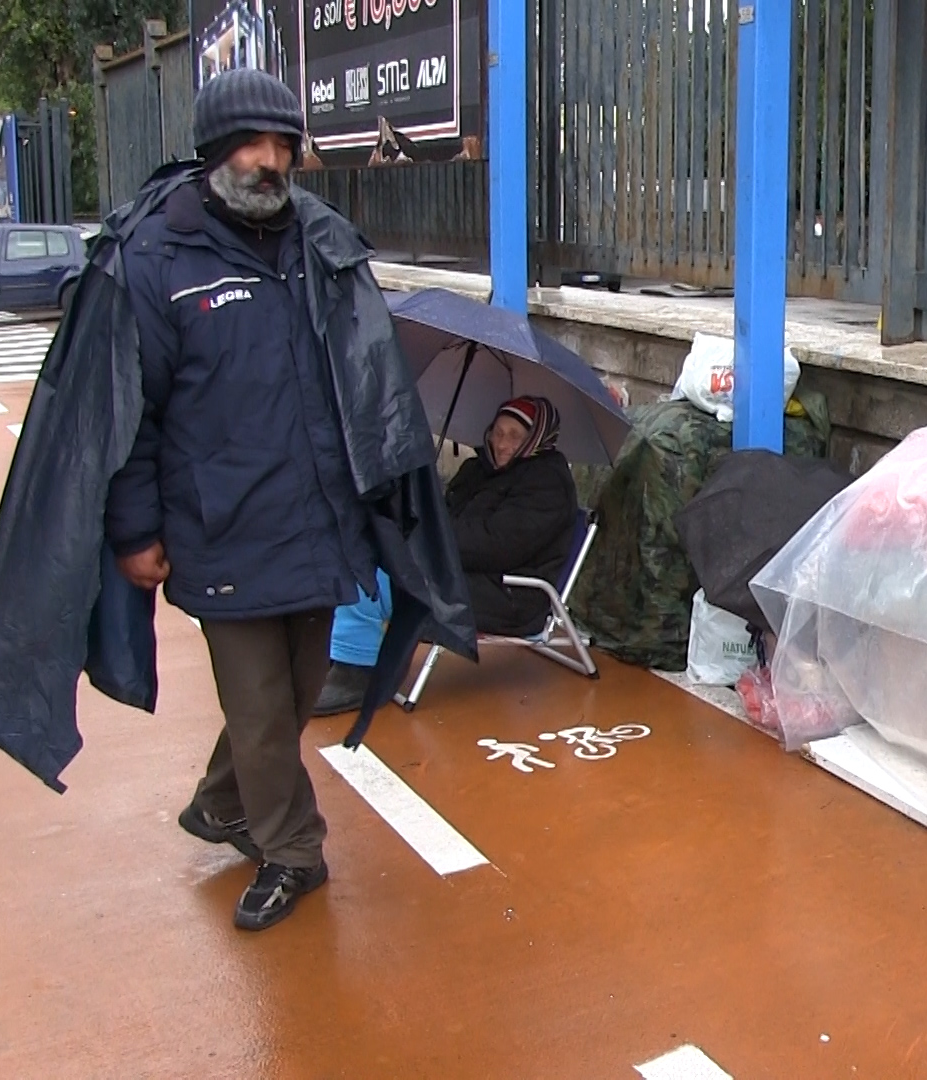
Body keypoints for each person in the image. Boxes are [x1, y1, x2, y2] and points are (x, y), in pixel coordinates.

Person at [94, 71, 466, 930]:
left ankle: (222, 804)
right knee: (260, 707)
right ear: (213, 147)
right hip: (219, 526)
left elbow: (369, 377)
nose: (268, 163)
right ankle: (294, 851)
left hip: (320, 520)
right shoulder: (158, 255)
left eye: (282, 146)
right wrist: (134, 529)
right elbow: (129, 412)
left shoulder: (321, 240)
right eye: (249, 144)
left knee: (295, 695)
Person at [312, 396, 580, 714]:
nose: (502, 443)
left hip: (510, 594)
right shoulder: (477, 469)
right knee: (360, 557)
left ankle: (358, 676)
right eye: (498, 432)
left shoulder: (547, 484)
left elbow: (499, 546)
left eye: (515, 436)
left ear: (537, 439)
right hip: (462, 572)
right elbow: (441, 516)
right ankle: (345, 657)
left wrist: (426, 544)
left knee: (377, 578)